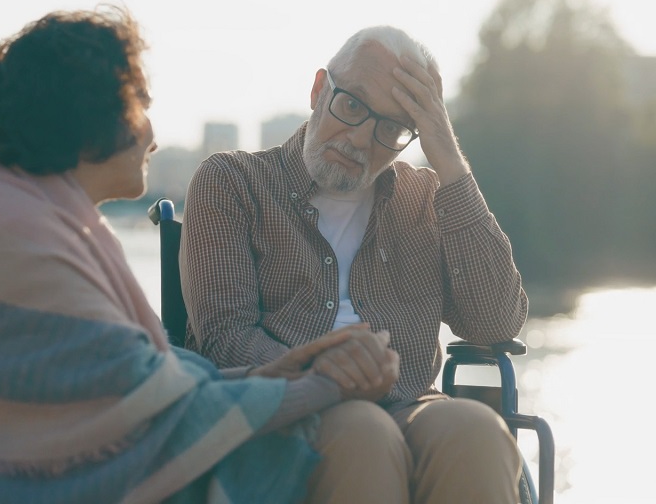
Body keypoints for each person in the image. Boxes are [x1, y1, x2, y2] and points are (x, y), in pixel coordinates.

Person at [0, 6, 403, 504]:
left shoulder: (10, 214)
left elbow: (134, 379)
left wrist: (276, 371)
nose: (153, 134)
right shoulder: (13, 239)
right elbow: (150, 412)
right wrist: (327, 386)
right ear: (86, 116)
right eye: (139, 104)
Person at [180, 25, 530, 503]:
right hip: (285, 410)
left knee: (477, 429)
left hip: (410, 405)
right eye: (351, 106)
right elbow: (225, 340)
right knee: (363, 431)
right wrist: (323, 373)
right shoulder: (234, 182)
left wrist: (448, 159)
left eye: (391, 128)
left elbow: (495, 322)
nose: (361, 140)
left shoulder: (426, 198)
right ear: (319, 89)